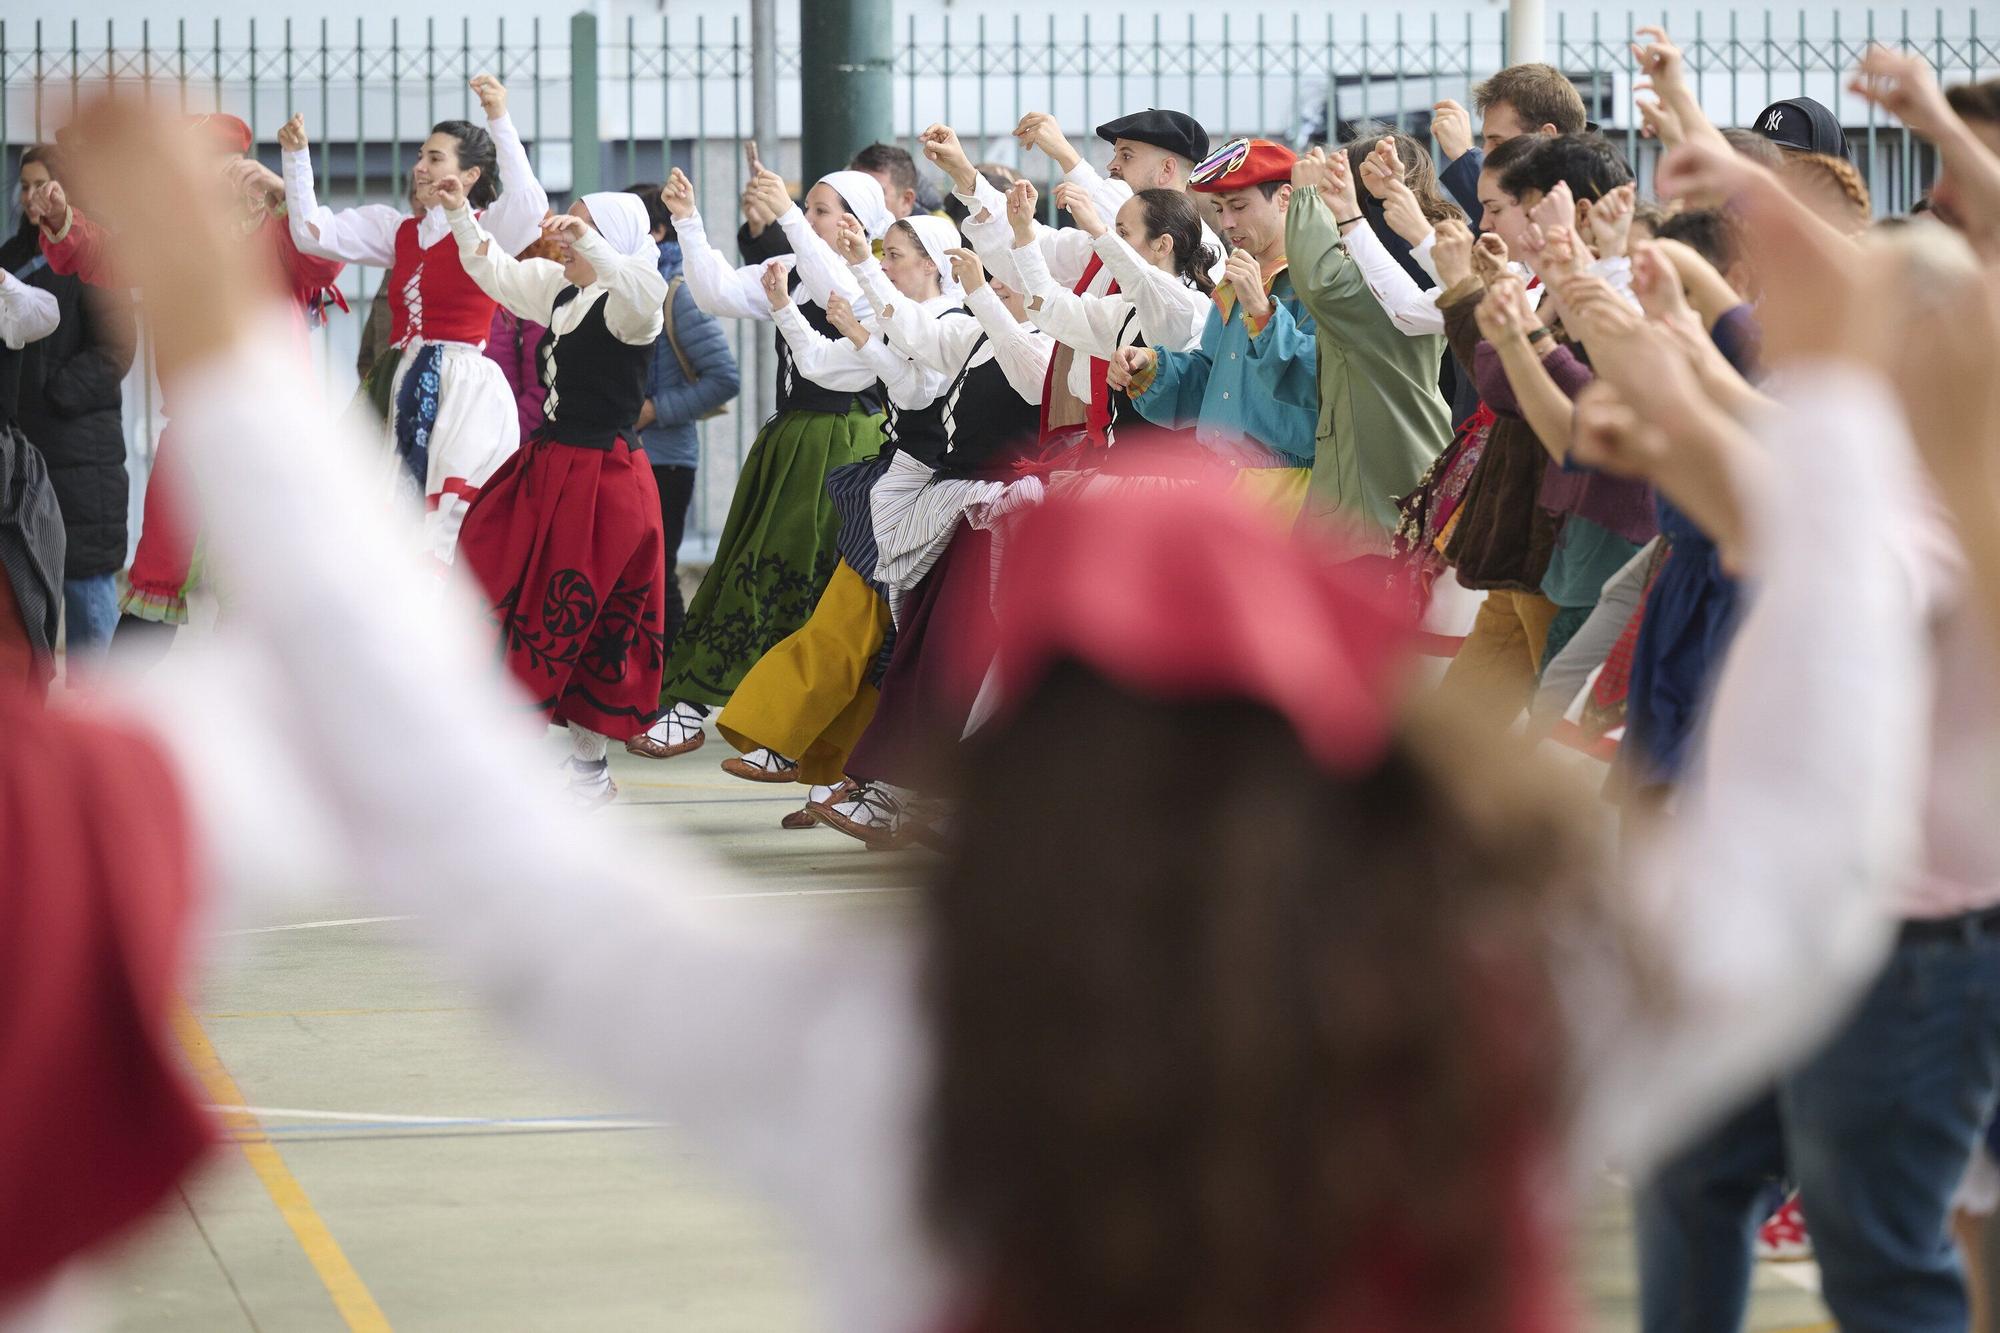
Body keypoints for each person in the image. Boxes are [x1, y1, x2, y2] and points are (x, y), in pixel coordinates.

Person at [5, 92, 1956, 1333]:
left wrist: (226, 346)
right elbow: (1804, 854)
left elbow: (480, 840)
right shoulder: (1501, 1037)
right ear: (1364, 754)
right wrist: (1849, 432)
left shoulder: (907, 1078)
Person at [27, 111, 345, 662]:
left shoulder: (279, 226)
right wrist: (63, 218)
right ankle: (129, 714)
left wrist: (286, 190)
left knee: (258, 583)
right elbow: (106, 255)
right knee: (156, 571)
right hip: (194, 433)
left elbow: (322, 263)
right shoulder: (171, 239)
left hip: (270, 435)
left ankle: (251, 720)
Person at [632, 163, 895, 759]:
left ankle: (795, 734)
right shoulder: (798, 272)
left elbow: (843, 298)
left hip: (844, 441)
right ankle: (700, 706)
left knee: (812, 579)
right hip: (792, 441)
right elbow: (715, 291)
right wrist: (688, 221)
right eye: (812, 210)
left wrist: (787, 216)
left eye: (820, 209)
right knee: (752, 564)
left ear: (854, 223)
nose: (809, 217)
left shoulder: (872, 281)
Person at [710, 211, 971, 802]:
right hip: (899, 485)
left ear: (932, 262)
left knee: (877, 639)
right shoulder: (898, 321)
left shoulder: (956, 323)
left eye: (895, 254)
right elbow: (821, 366)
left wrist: (858, 327)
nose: (884, 264)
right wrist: (782, 306)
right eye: (881, 254)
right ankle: (815, 765)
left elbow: (918, 389)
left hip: (937, 493)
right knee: (858, 627)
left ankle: (831, 771)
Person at [812, 245, 1053, 846]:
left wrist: (979, 293)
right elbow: (908, 325)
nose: (994, 286)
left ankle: (949, 794)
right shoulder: (970, 341)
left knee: (960, 653)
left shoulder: (1050, 349)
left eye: (1007, 279)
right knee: (922, 646)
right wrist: (863, 267)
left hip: (1001, 515)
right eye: (990, 276)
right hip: (956, 509)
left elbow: (1027, 377)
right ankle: (900, 790)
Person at [442, 182, 669, 806]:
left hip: (604, 480)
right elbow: (492, 269)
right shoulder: (562, 291)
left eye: (582, 225)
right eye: (568, 222)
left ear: (611, 239)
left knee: (584, 615)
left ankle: (587, 773)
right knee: (493, 577)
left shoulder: (630, 307)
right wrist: (460, 211)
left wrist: (588, 239)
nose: (563, 232)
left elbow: (646, 290)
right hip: (551, 466)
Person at [280, 75, 549, 569]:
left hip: (462, 387)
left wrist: (499, 118)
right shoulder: (399, 230)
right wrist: (297, 160)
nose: (419, 168)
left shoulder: (488, 227)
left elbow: (531, 207)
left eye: (434, 158)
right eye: (421, 156)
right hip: (399, 378)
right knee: (383, 519)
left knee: (448, 521)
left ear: (469, 176)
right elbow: (314, 234)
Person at [1110, 139, 1319, 480]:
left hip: (1290, 486)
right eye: (1220, 209)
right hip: (1222, 478)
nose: (1228, 223)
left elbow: (1324, 380)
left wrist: (1262, 312)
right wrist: (1150, 364)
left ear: (1285, 198)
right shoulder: (1239, 276)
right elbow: (1212, 375)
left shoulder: (1318, 278)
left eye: (1239, 206)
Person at [1284, 134, 1455, 547]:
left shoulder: (1373, 289)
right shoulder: (1429, 268)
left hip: (1372, 506)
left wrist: (1308, 197)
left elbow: (1322, 282)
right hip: (1414, 467)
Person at [4, 146, 135, 671]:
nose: (30, 196)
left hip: (83, 452)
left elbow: (115, 349)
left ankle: (98, 715)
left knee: (86, 590)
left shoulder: (92, 256)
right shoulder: (9, 257)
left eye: (40, 184)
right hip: (21, 449)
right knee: (23, 585)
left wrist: (50, 390)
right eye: (24, 184)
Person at [628, 183, 740, 655]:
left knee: (656, 573)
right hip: (630, 454)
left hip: (665, 460)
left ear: (655, 232)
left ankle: (671, 688)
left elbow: (724, 377)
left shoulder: (678, 294)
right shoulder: (627, 287)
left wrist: (654, 409)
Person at [0, 257, 62, 696]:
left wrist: (4, 281)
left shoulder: (8, 303)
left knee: (14, 630)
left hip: (8, 480)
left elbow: (46, 311)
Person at [1431, 63, 1590, 227]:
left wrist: (1464, 156)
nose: (1485, 154)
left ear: (1546, 137)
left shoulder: (1596, 211)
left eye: (1498, 142)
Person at [739, 142, 923, 265]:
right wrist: (760, 226)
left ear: (907, 200)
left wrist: (778, 218)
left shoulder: (924, 248)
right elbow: (778, 278)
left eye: (874, 192)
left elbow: (822, 274)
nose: (807, 219)